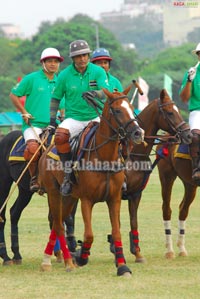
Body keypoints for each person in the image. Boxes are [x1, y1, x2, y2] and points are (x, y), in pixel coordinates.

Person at [47, 39, 110, 196]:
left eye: (84, 55)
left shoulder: (98, 72)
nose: (82, 59)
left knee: (117, 134)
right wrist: (52, 121)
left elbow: (106, 92)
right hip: (74, 118)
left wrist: (95, 93)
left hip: (96, 116)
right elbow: (55, 98)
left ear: (88, 56)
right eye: (78, 56)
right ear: (73, 58)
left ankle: (122, 175)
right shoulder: (64, 75)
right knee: (60, 136)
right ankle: (68, 176)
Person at [9, 47, 64, 192]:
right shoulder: (31, 78)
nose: (53, 64)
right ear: (43, 63)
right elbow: (14, 95)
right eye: (49, 61)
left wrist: (63, 116)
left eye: (56, 61)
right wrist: (24, 112)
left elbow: (63, 105)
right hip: (34, 125)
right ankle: (35, 179)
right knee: (33, 148)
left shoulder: (60, 81)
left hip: (55, 125)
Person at [180, 42, 200, 183]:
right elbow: (184, 98)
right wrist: (188, 81)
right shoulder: (193, 73)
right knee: (195, 137)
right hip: (197, 110)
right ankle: (197, 168)